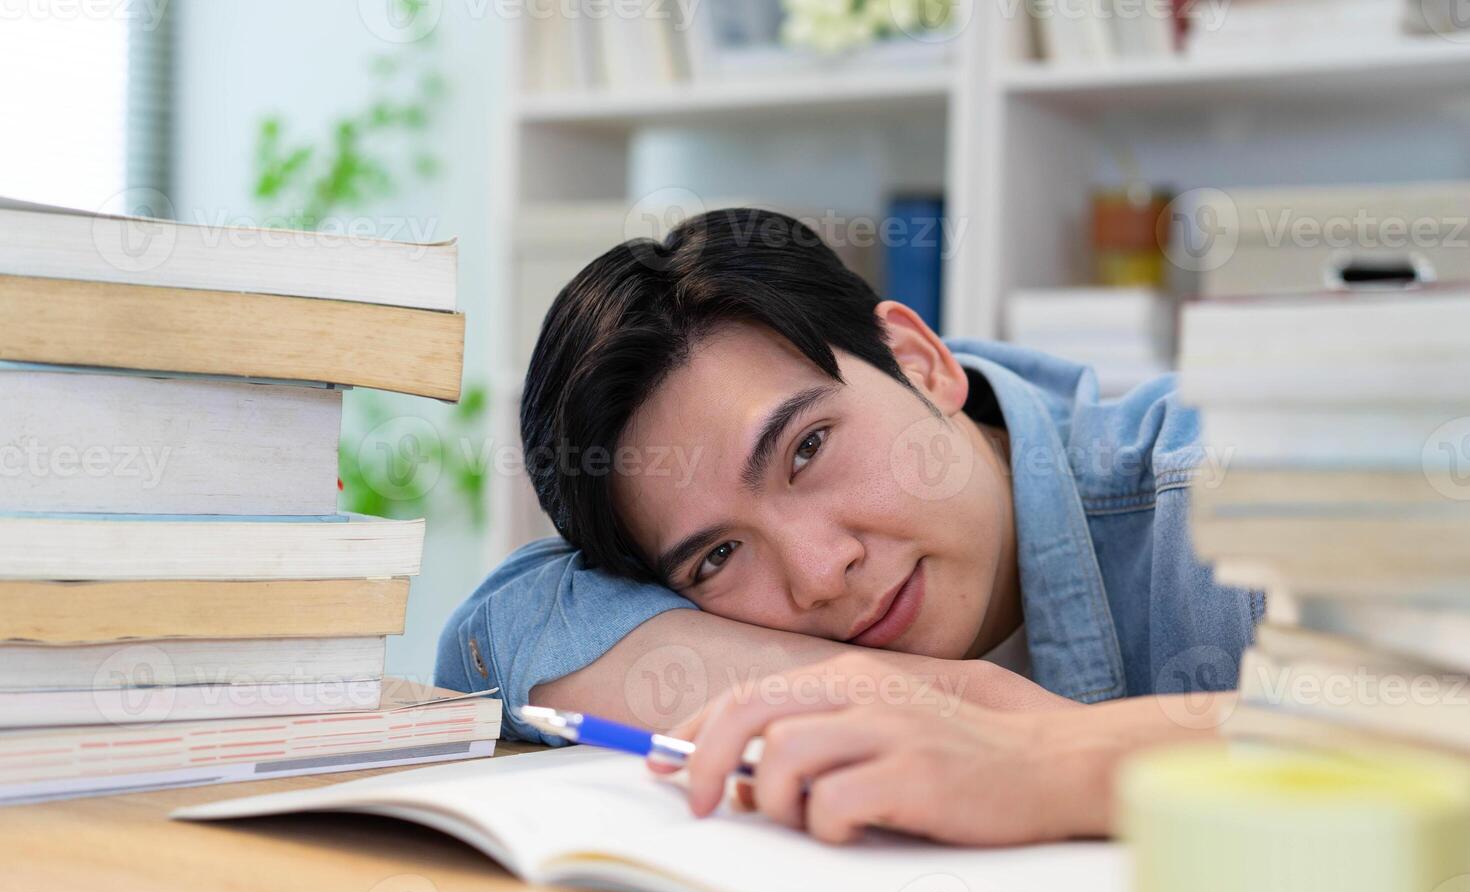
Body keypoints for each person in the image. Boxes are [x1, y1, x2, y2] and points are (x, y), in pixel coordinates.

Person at [436, 207, 1260, 844]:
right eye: (718, 556)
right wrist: (945, 694)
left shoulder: (1233, 493)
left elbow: (1387, 727)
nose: (819, 571)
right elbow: (498, 632)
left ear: (921, 360)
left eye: (808, 449)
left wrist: (1039, 756)